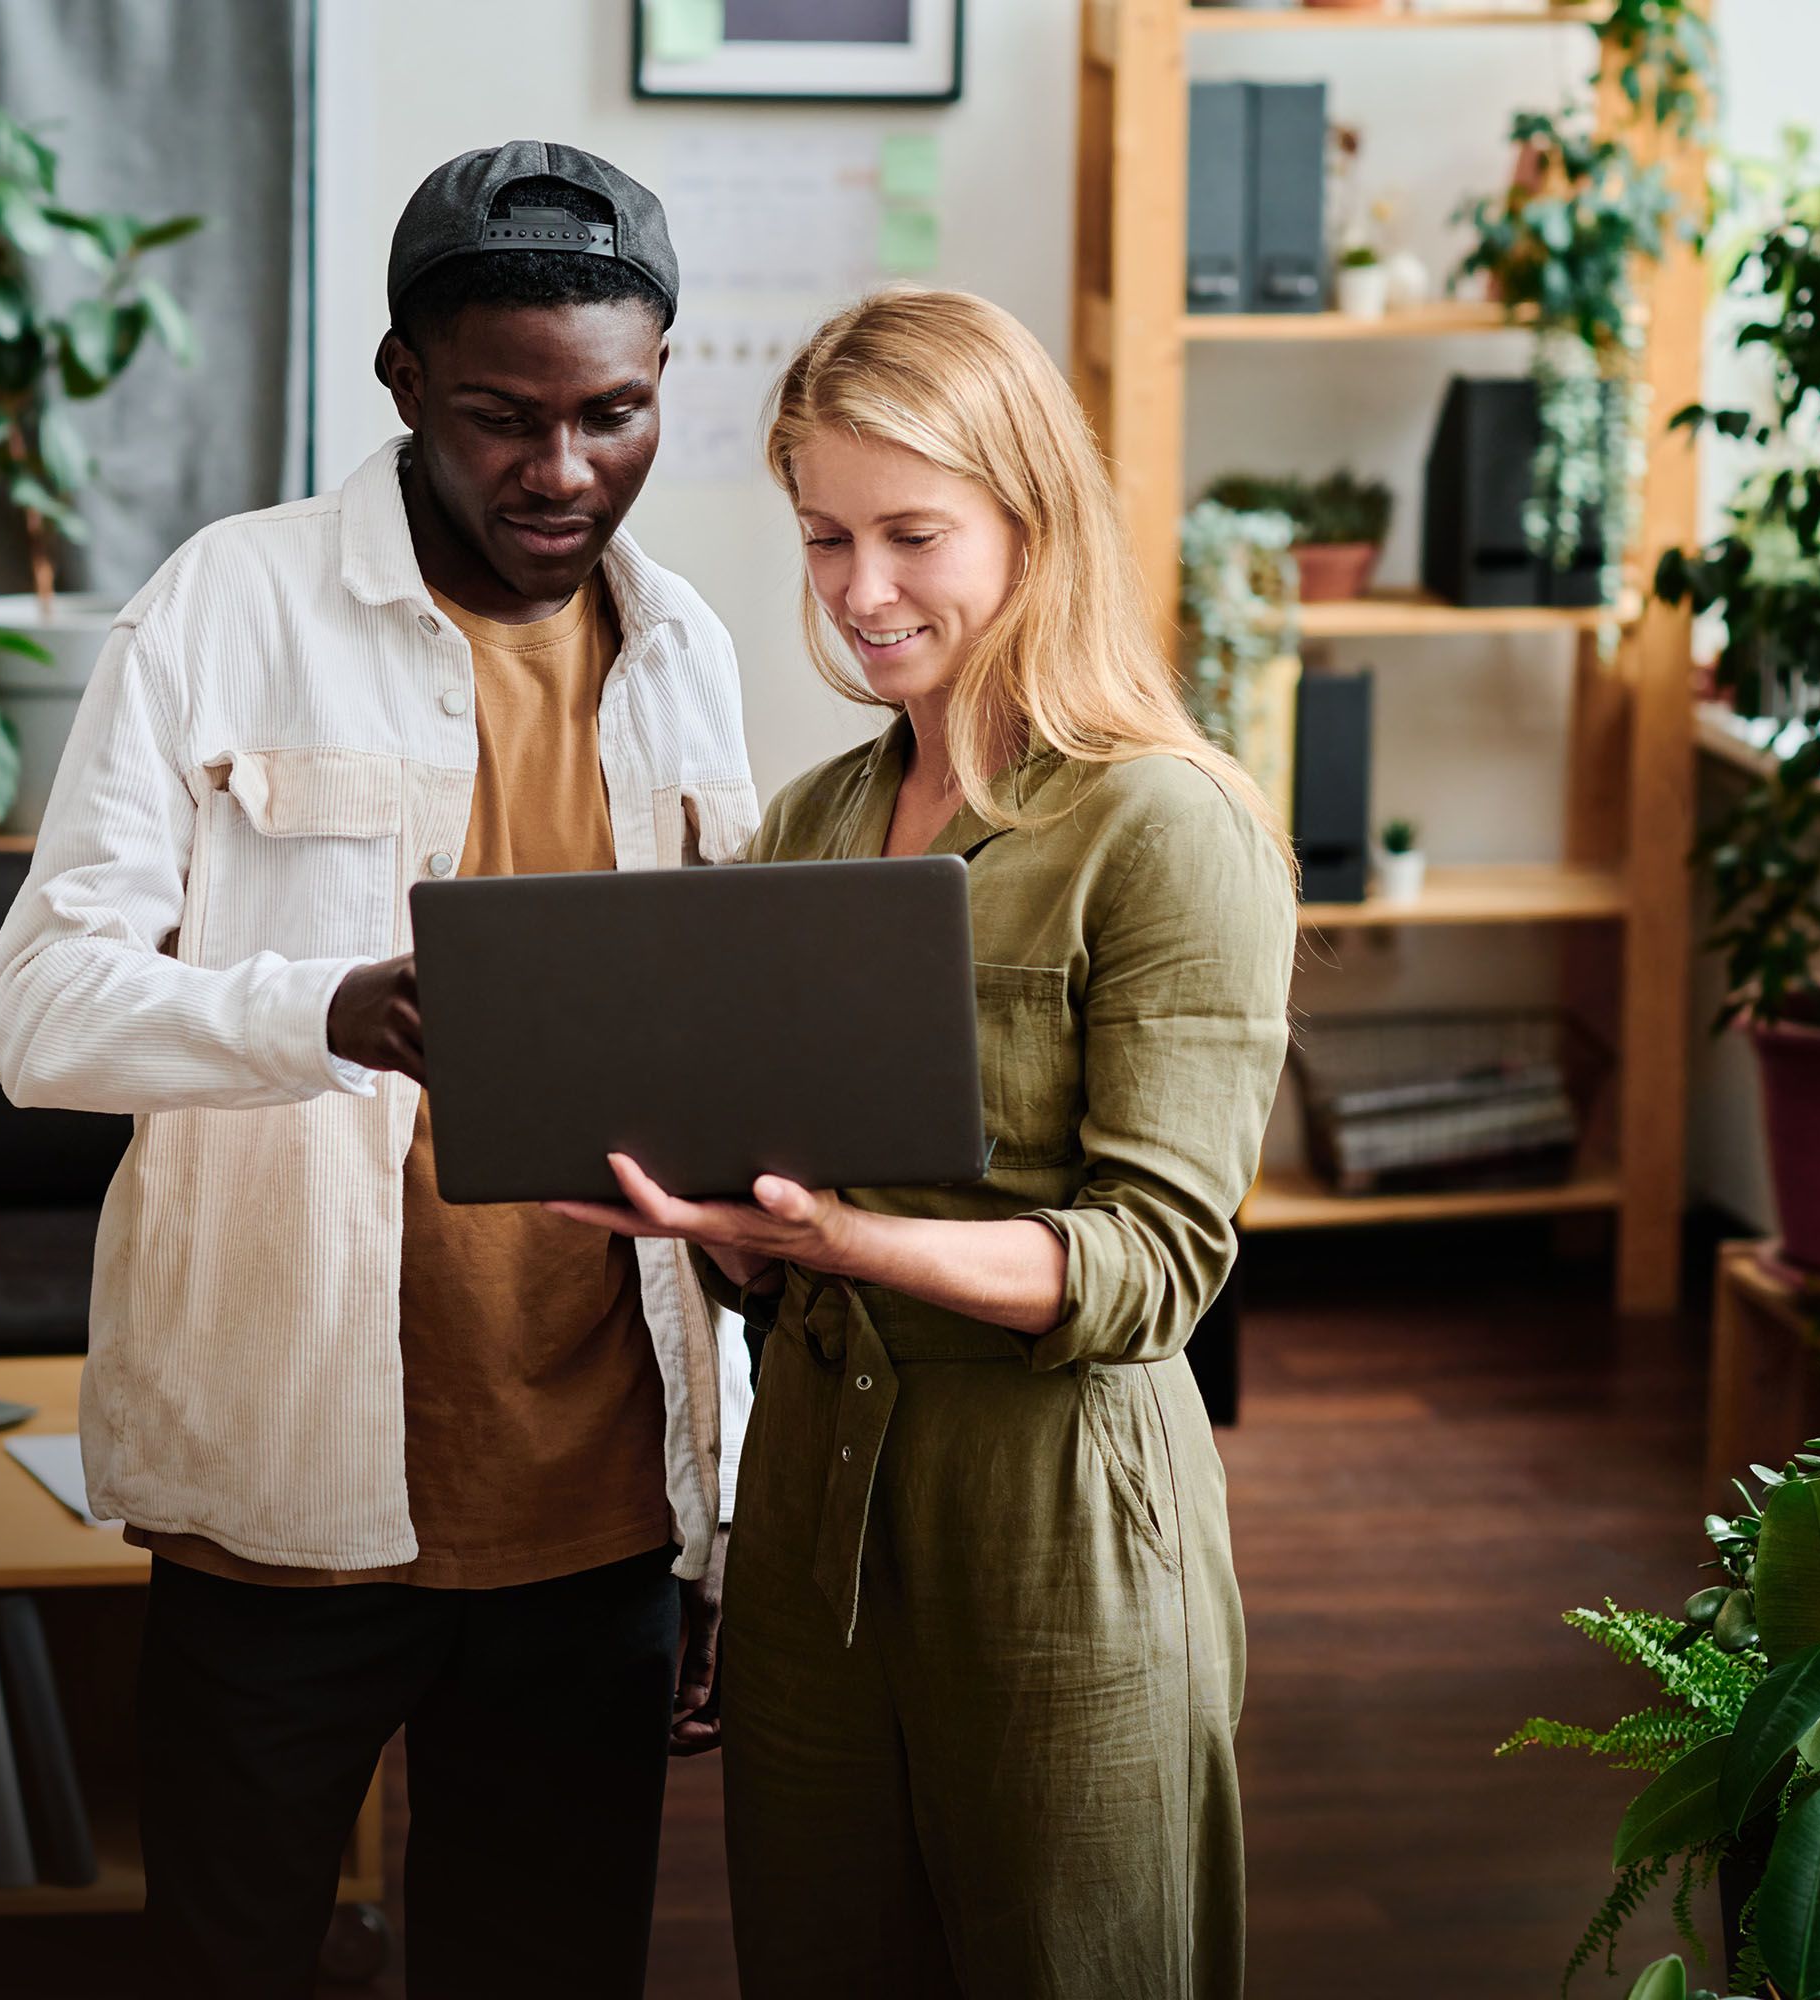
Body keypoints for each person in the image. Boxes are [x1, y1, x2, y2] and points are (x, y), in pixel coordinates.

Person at [0, 141, 758, 1999]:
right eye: (503, 417)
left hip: (600, 1504)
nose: (563, 473)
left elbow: (723, 1101)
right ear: (402, 379)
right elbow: (38, 1012)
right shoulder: (221, 608)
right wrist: (314, 1012)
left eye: (614, 415)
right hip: (287, 1487)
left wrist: (735, 1515)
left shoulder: (691, 654)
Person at [550, 287, 1298, 1998]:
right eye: (825, 535)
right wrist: (712, 1221)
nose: (860, 590)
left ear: (1031, 523)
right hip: (814, 1514)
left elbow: (1158, 1264)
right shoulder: (810, 822)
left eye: (912, 533)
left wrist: (849, 1240)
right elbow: (780, 1204)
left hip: (1055, 1519)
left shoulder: (1165, 826)